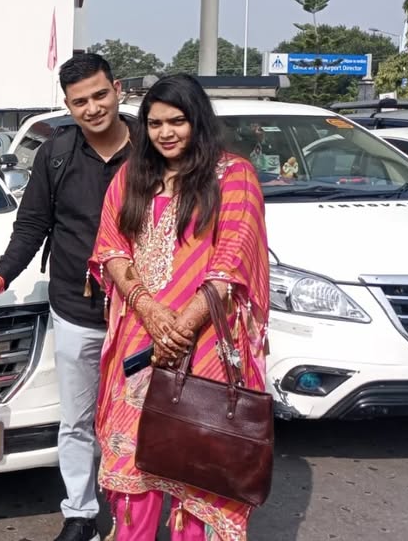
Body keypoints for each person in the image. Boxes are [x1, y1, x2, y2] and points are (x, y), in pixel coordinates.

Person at [0, 53, 133, 541]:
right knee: (77, 420)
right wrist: (1, 277)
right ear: (67, 105)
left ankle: (133, 516)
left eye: (100, 95)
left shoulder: (150, 147)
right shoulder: (57, 153)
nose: (93, 108)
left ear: (117, 88)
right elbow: (33, 224)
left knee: (139, 419)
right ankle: (80, 514)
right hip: (76, 309)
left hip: (141, 313)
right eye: (80, 102)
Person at [88, 74, 270, 540]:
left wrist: (181, 329)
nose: (165, 133)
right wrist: (149, 311)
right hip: (138, 340)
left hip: (206, 341)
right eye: (155, 124)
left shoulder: (234, 176)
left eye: (177, 122)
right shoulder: (133, 175)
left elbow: (230, 263)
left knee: (198, 461)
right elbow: (111, 248)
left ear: (198, 121)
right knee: (131, 467)